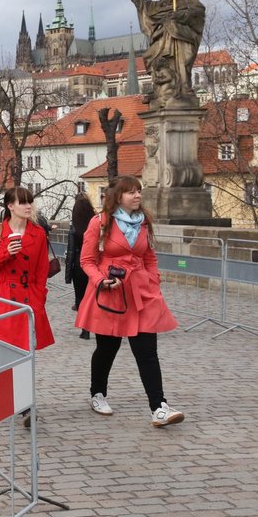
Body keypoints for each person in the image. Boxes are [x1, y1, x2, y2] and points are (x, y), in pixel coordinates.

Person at [76, 176, 184, 427]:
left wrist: (153, 279)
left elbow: (149, 256)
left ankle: (159, 407)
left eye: (139, 191)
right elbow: (87, 261)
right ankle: (97, 393)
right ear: (117, 196)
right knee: (107, 348)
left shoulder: (143, 222)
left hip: (141, 294)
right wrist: (100, 281)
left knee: (147, 351)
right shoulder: (100, 222)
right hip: (111, 293)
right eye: (131, 192)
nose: (137, 196)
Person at [0, 187, 55, 427]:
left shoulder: (38, 233)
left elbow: (42, 269)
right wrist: (5, 253)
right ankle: (5, 396)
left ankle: (24, 405)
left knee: (26, 352)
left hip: (28, 297)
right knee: (4, 352)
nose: (28, 206)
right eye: (22, 202)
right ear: (10, 206)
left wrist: (39, 298)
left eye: (30, 202)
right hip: (2, 296)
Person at [128, 0, 205, 109]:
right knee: (154, 56)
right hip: (164, 36)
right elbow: (151, 9)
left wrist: (180, 15)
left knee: (171, 28)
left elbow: (198, 11)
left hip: (181, 37)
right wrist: (136, 0)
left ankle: (181, 87)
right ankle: (160, 88)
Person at [65, 193, 96, 338]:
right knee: (95, 296)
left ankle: (85, 329)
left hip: (79, 264)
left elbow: (70, 252)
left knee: (80, 297)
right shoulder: (96, 224)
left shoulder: (74, 228)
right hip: (95, 264)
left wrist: (68, 275)